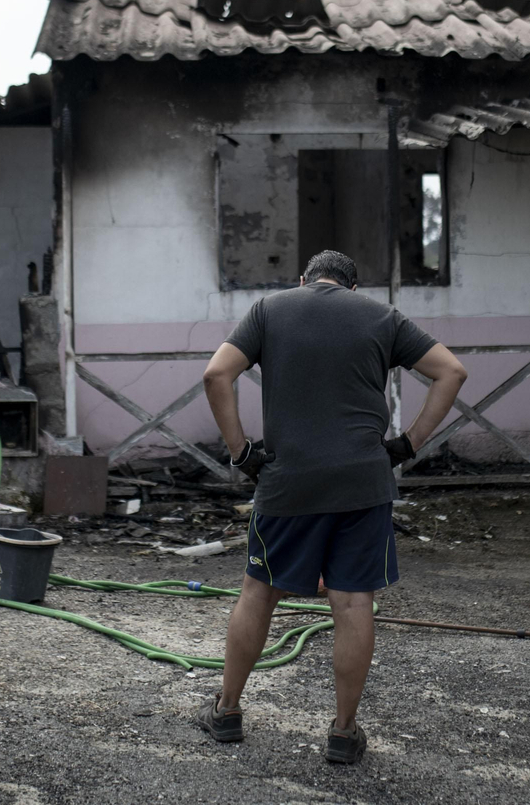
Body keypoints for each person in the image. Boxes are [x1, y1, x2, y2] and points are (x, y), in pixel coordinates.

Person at [194, 249, 468, 764]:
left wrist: (241, 453)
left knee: (258, 594)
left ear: (304, 280)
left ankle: (227, 711)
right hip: (363, 485)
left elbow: (215, 375)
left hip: (287, 484)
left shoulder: (270, 310)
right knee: (352, 603)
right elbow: (451, 372)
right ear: (352, 287)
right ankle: (343, 732)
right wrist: (407, 445)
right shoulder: (381, 317)